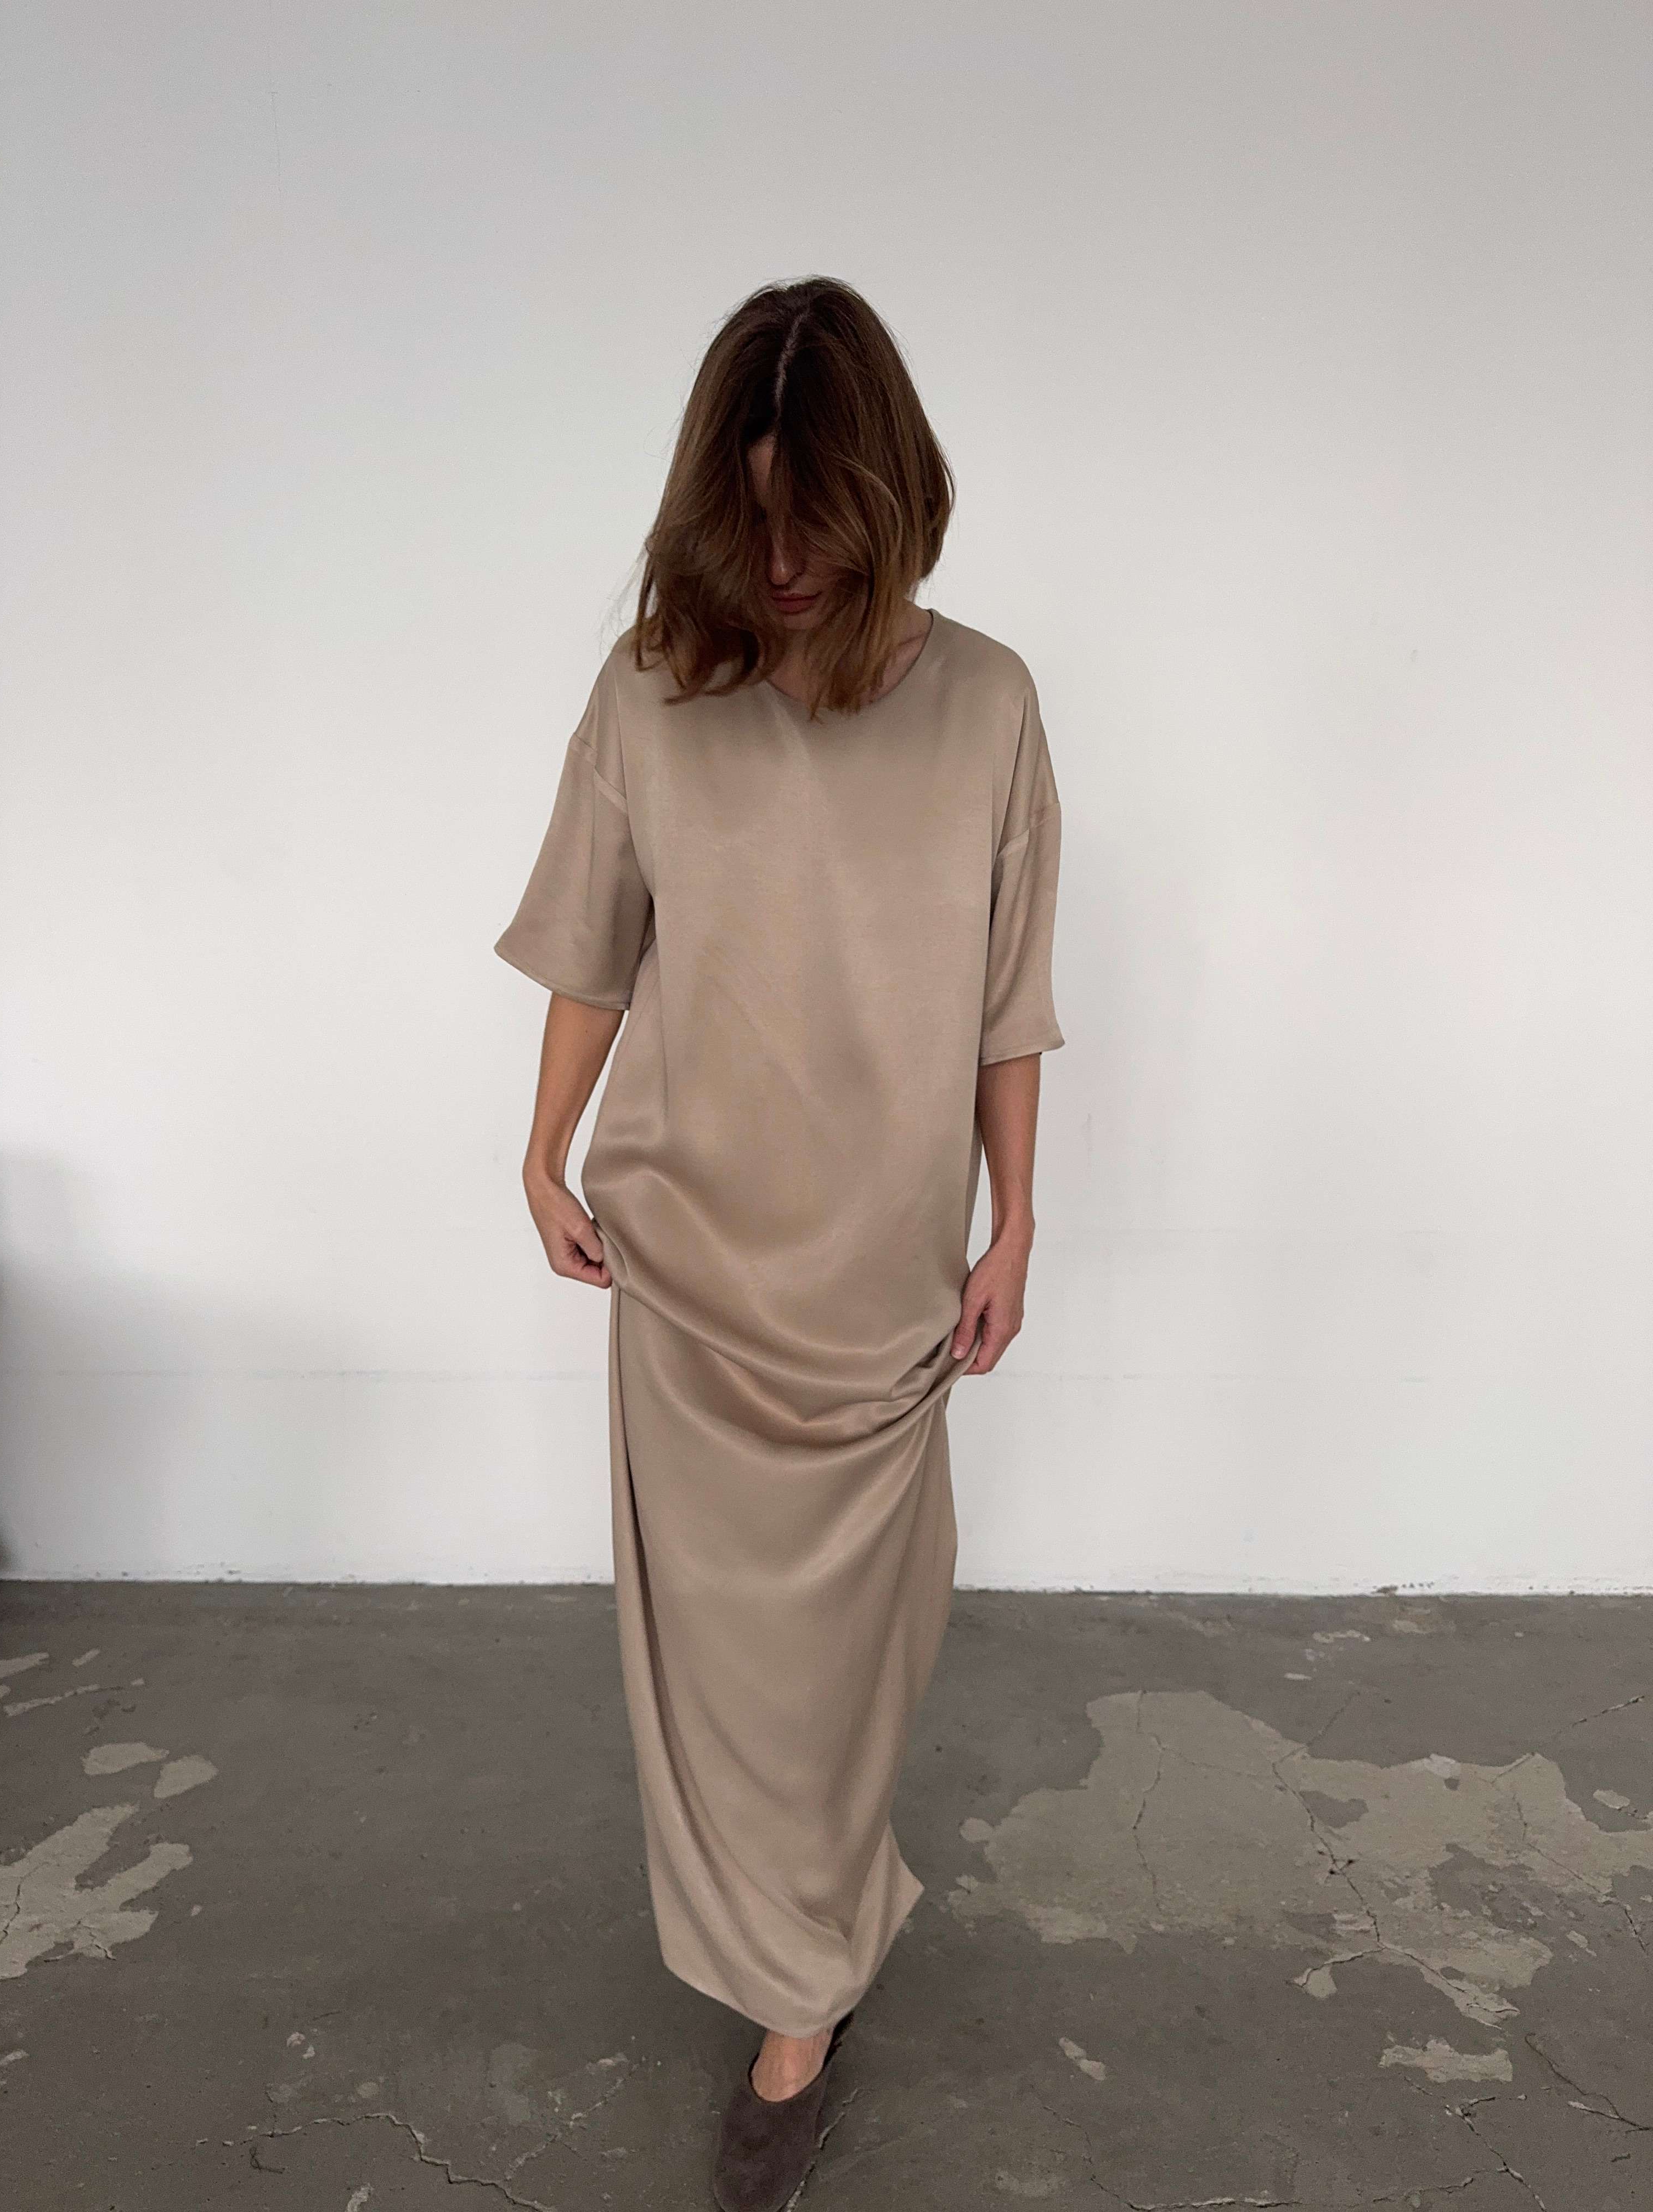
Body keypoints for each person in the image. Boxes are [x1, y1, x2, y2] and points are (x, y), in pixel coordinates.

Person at [493, 274, 1065, 2211]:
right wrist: (541, 1149)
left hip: (882, 1277)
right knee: (719, 1677)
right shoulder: (651, 690)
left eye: (820, 513)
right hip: (691, 1261)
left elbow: (1009, 997)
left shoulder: (987, 703)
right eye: (750, 516)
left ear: (891, 493)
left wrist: (1015, 1220)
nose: (789, 558)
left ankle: (812, 1935)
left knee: (853, 1665)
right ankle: (797, 2001)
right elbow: (594, 941)